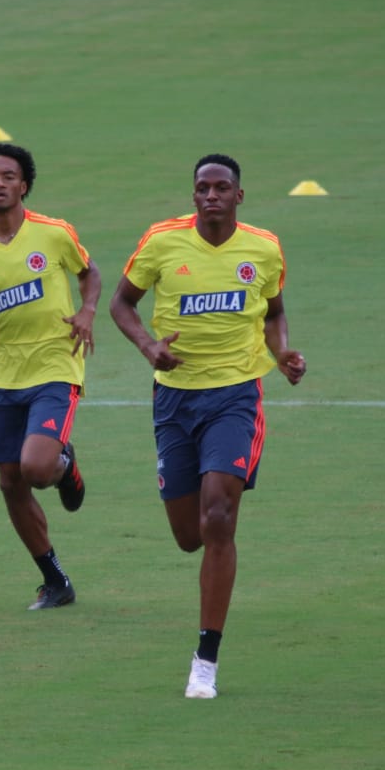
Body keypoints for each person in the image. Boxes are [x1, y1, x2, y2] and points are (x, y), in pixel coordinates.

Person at [109, 154, 306, 697]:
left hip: (235, 395)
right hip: (174, 401)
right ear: (192, 195)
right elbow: (121, 304)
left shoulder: (262, 248)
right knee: (189, 535)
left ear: (240, 196)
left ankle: (206, 660)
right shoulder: (162, 242)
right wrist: (149, 346)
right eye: (203, 188)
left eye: (222, 188)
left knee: (219, 516)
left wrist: (282, 353)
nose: (212, 195)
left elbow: (273, 311)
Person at [0, 142, 102, 610]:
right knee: (11, 483)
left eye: (8, 176)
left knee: (35, 468)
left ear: (23, 184)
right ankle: (55, 581)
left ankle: (63, 463)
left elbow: (89, 274)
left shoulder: (54, 234)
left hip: (55, 365)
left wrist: (87, 311)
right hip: (4, 375)